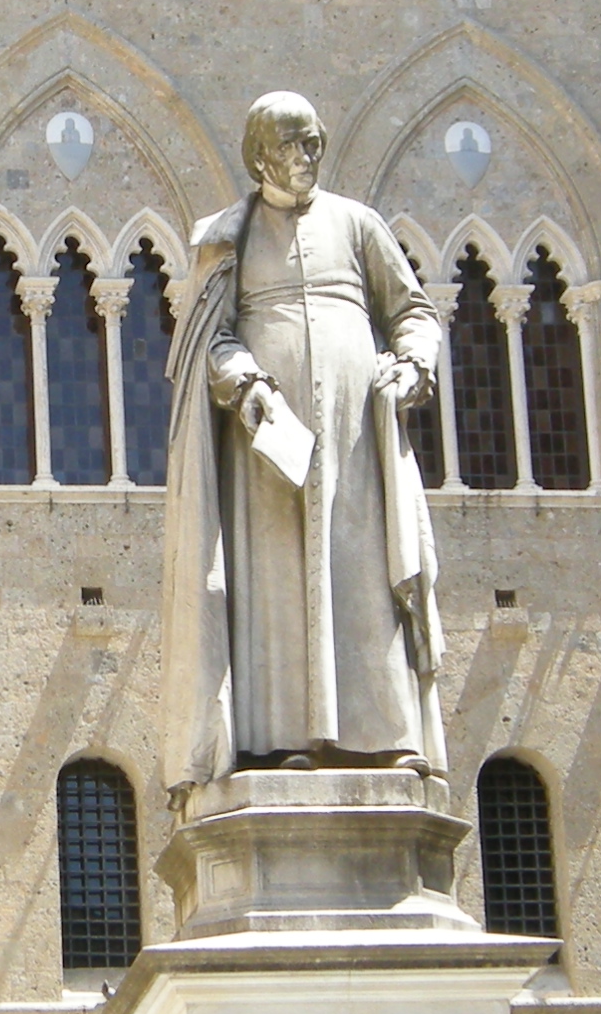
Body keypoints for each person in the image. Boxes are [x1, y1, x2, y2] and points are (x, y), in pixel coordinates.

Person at [160, 91, 450, 788]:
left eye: (313, 143)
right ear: (259, 156)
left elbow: (413, 310)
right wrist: (247, 384)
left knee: (359, 574)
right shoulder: (232, 235)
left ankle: (386, 734)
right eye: (290, 147)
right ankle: (278, 737)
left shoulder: (357, 224)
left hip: (354, 437)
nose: (305, 158)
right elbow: (209, 338)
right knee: (277, 584)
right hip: (267, 449)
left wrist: (413, 365)